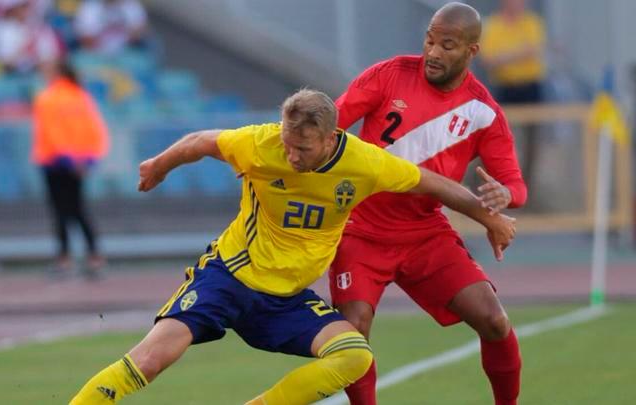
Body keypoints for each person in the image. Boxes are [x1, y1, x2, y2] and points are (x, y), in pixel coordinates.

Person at [69, 89, 516, 404]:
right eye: (287, 143)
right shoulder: (261, 143)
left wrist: (489, 217)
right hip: (228, 278)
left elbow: (432, 183)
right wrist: (160, 166)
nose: (291, 156)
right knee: (151, 358)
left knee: (355, 355)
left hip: (285, 301)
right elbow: (200, 142)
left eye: (302, 148)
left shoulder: (364, 163)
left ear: (330, 138)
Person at [329, 3, 527, 405]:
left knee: (493, 320)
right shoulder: (389, 75)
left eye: (447, 45)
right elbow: (329, 122)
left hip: (425, 234)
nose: (433, 53)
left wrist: (505, 195)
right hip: (361, 228)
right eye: (429, 41)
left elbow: (515, 185)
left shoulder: (483, 112)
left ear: (472, 51)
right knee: (353, 333)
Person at [31, 59, 109, 278]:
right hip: (79, 162)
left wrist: (66, 157)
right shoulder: (81, 97)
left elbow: (51, 131)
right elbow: (94, 130)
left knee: (60, 211)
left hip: (55, 162)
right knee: (78, 208)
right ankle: (94, 256)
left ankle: (64, 259)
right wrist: (88, 159)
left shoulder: (48, 98)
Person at [480, 0, 546, 191]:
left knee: (532, 141)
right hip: (504, 88)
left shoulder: (532, 22)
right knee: (498, 137)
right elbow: (488, 60)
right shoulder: (493, 25)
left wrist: (503, 57)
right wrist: (519, 53)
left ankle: (526, 187)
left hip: (530, 88)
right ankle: (500, 183)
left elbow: (532, 51)